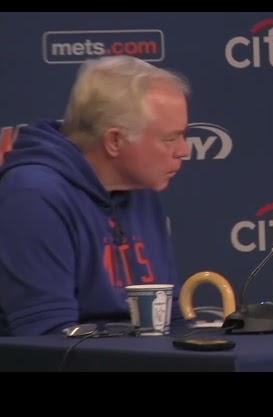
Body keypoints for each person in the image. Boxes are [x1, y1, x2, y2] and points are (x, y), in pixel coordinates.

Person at [0, 55, 190, 335]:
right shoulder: (33, 195)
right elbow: (47, 340)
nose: (184, 151)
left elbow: (169, 322)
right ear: (114, 141)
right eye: (169, 139)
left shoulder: (141, 190)